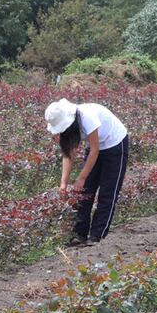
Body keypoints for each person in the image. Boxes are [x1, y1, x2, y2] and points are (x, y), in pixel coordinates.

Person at [45, 98, 129, 246]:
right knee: (84, 193)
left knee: (107, 193)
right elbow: (68, 154)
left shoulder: (87, 117)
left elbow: (95, 150)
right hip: (95, 147)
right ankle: (79, 234)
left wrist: (82, 177)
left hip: (115, 145)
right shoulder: (68, 128)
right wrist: (63, 183)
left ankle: (97, 236)